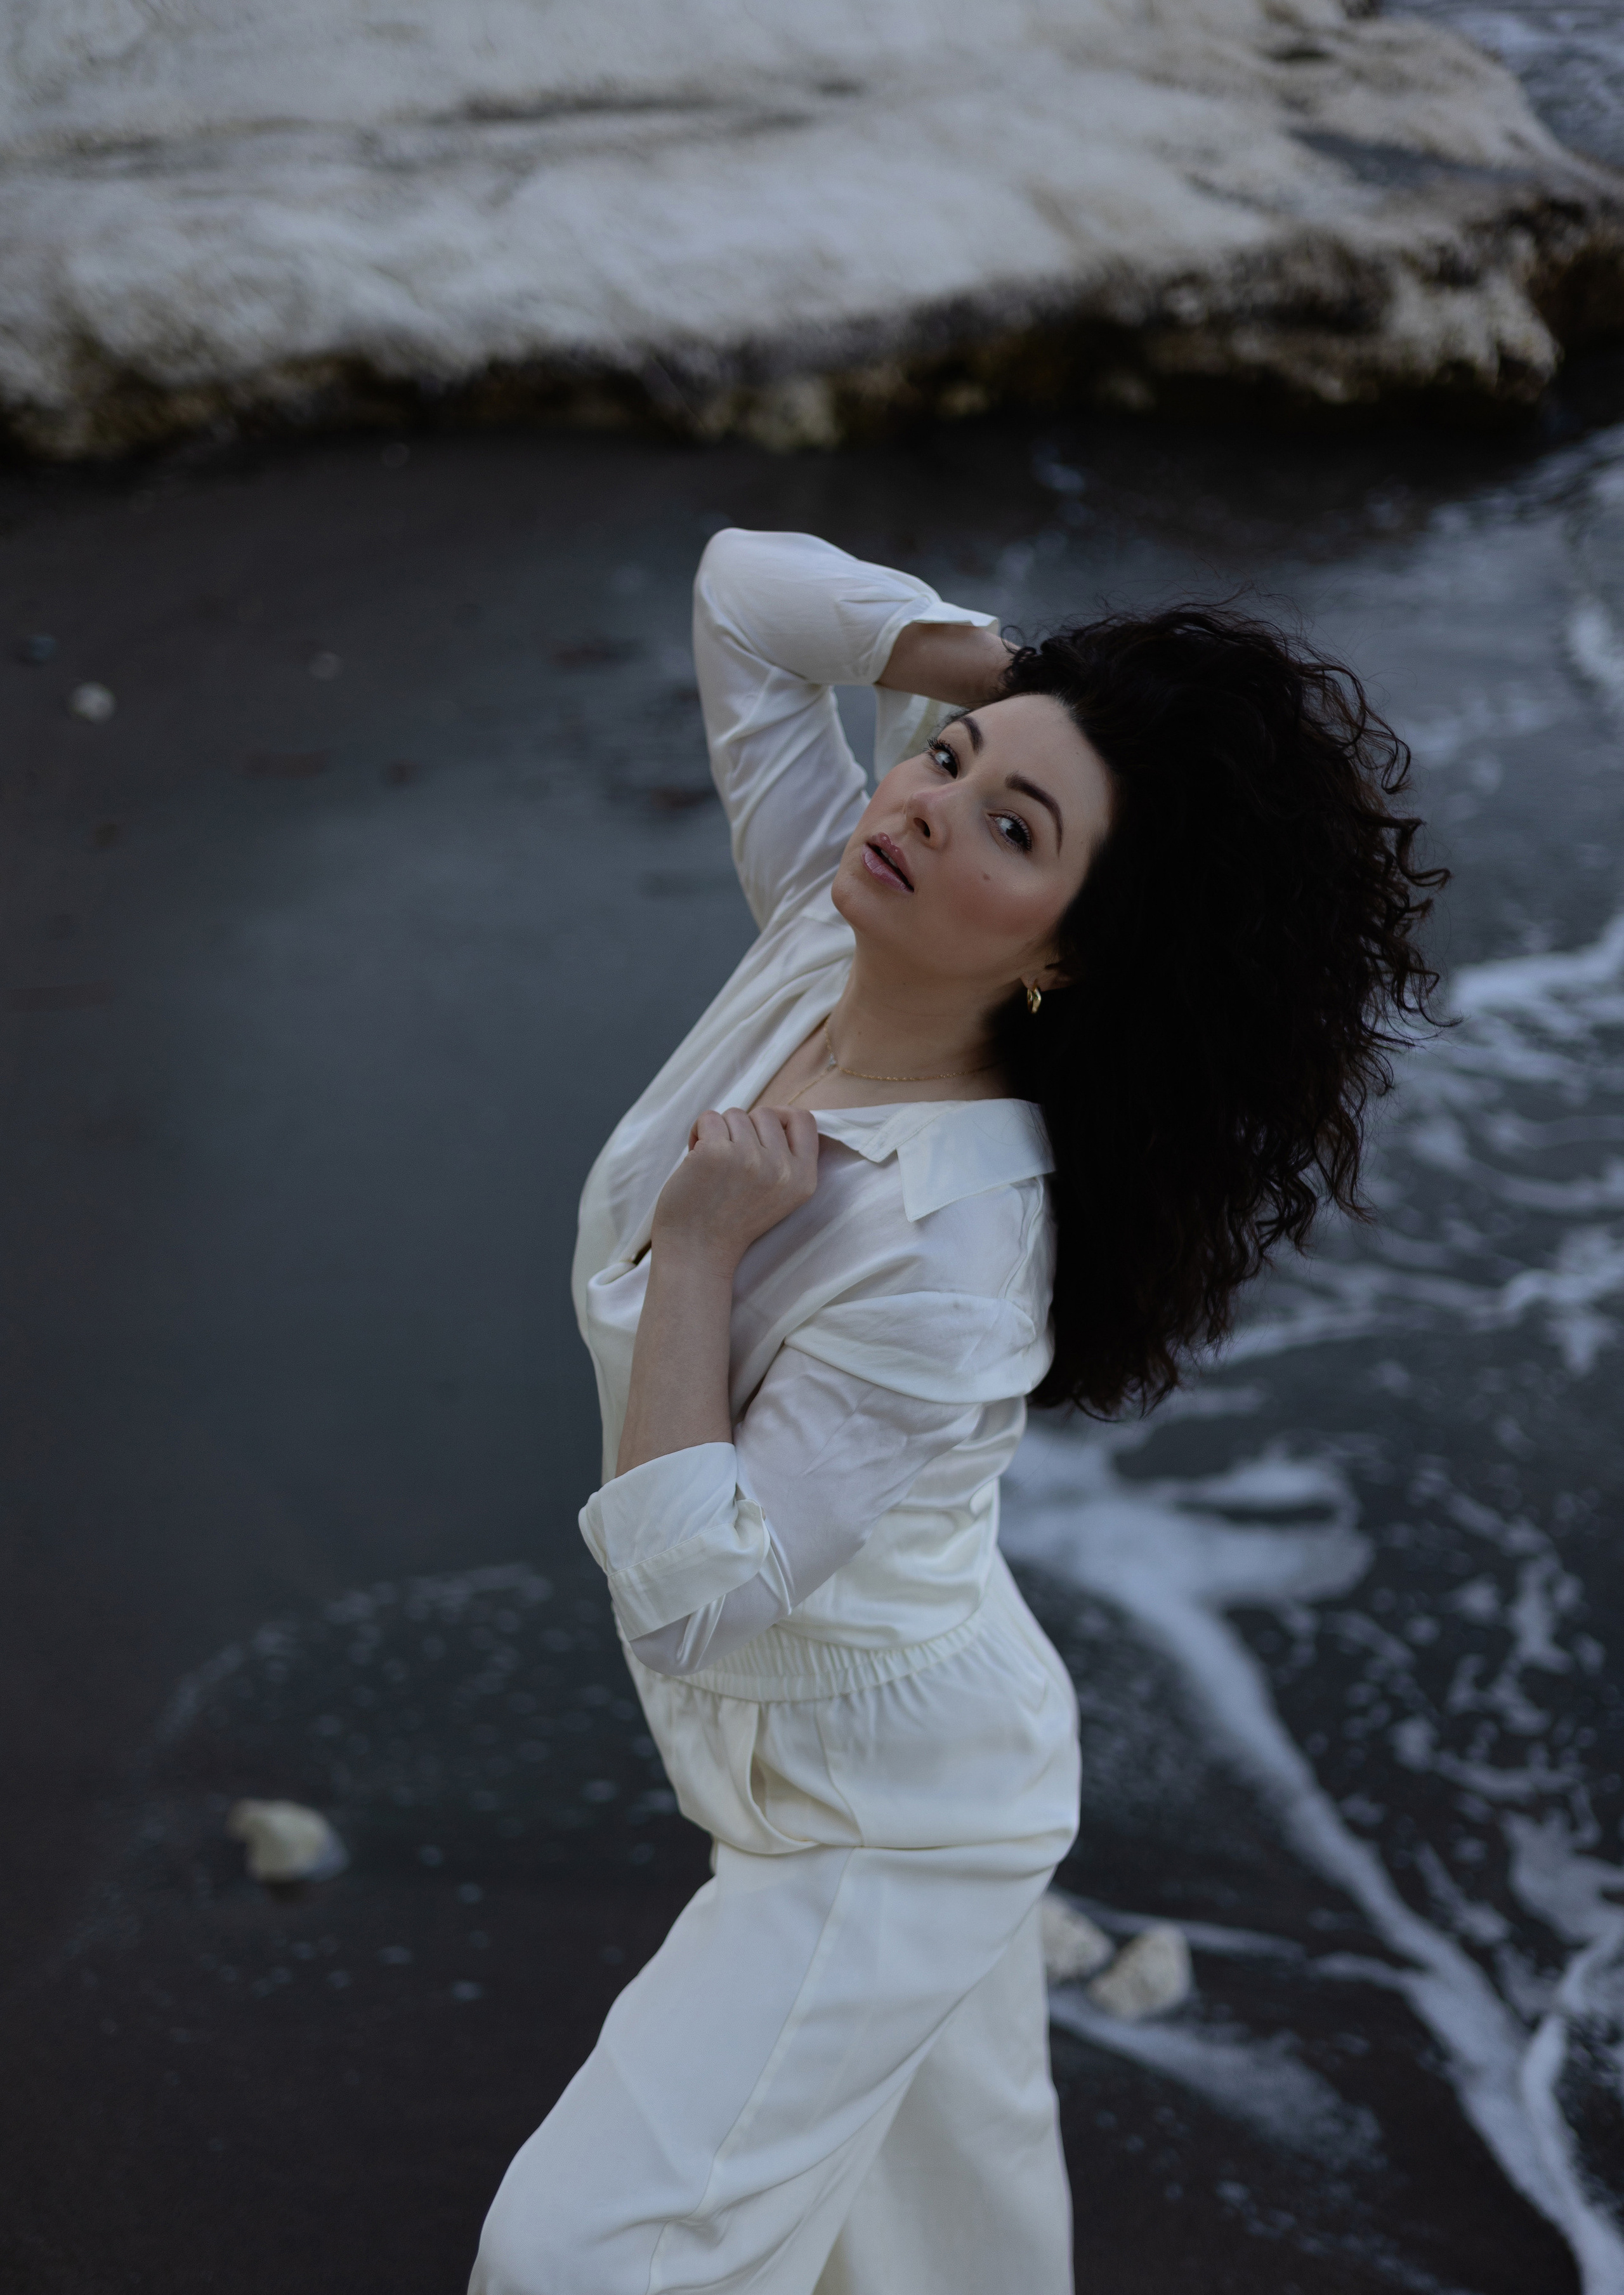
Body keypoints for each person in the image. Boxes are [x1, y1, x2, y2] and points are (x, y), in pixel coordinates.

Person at [469, 528, 1443, 2294]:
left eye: (1018, 831)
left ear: (1070, 955)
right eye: (946, 765)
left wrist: (699, 1257)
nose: (923, 810)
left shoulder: (954, 1245)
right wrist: (1011, 681)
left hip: (889, 1812)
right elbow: (742, 595)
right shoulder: (820, 936)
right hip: (859, 1716)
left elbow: (692, 1592)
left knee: (578, 2260)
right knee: (947, 2262)